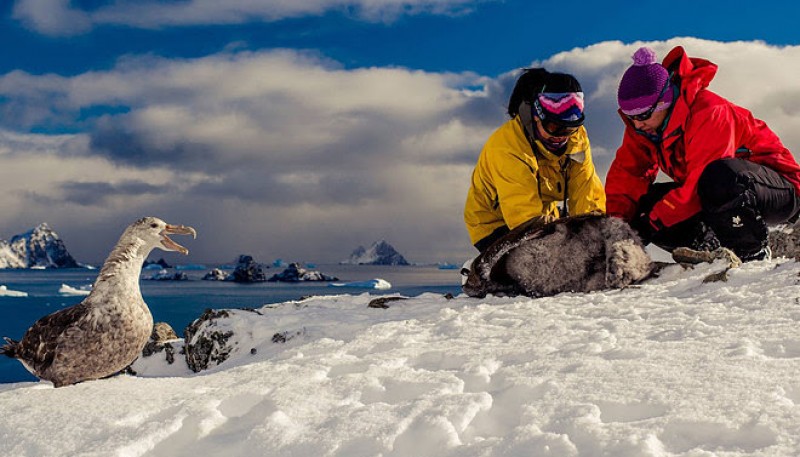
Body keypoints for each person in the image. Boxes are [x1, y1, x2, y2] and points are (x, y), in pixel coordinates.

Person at [606, 46, 800, 262]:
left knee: (718, 177)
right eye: (629, 116)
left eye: (643, 114)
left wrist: (652, 224)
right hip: (714, 196)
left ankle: (751, 251)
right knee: (644, 204)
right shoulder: (644, 128)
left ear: (665, 101)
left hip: (778, 193)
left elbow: (699, 183)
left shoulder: (708, 111)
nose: (637, 123)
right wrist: (618, 227)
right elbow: (628, 176)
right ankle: (708, 247)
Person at [464, 68, 606, 252]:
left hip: (545, 216)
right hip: (495, 224)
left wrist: (590, 235)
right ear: (536, 115)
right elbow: (524, 217)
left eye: (570, 129)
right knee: (542, 265)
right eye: (554, 126)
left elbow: (585, 190)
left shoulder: (576, 139)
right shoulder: (508, 147)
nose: (561, 136)